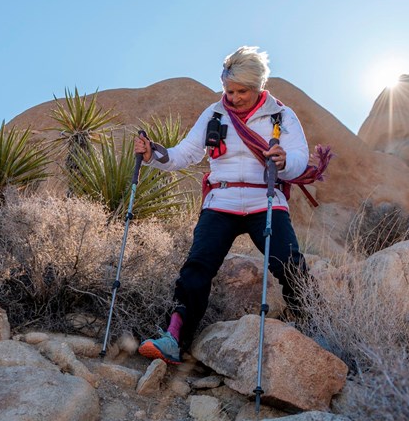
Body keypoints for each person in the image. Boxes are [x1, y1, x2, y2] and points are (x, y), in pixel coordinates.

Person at [135, 45, 321, 365]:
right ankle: (174, 338)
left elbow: (300, 158)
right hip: (221, 201)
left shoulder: (281, 115)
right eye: (228, 90)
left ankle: (317, 330)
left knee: (289, 262)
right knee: (196, 268)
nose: (233, 98)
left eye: (241, 91)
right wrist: (154, 154)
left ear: (259, 86)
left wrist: (285, 161)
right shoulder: (214, 114)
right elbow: (186, 154)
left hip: (265, 200)